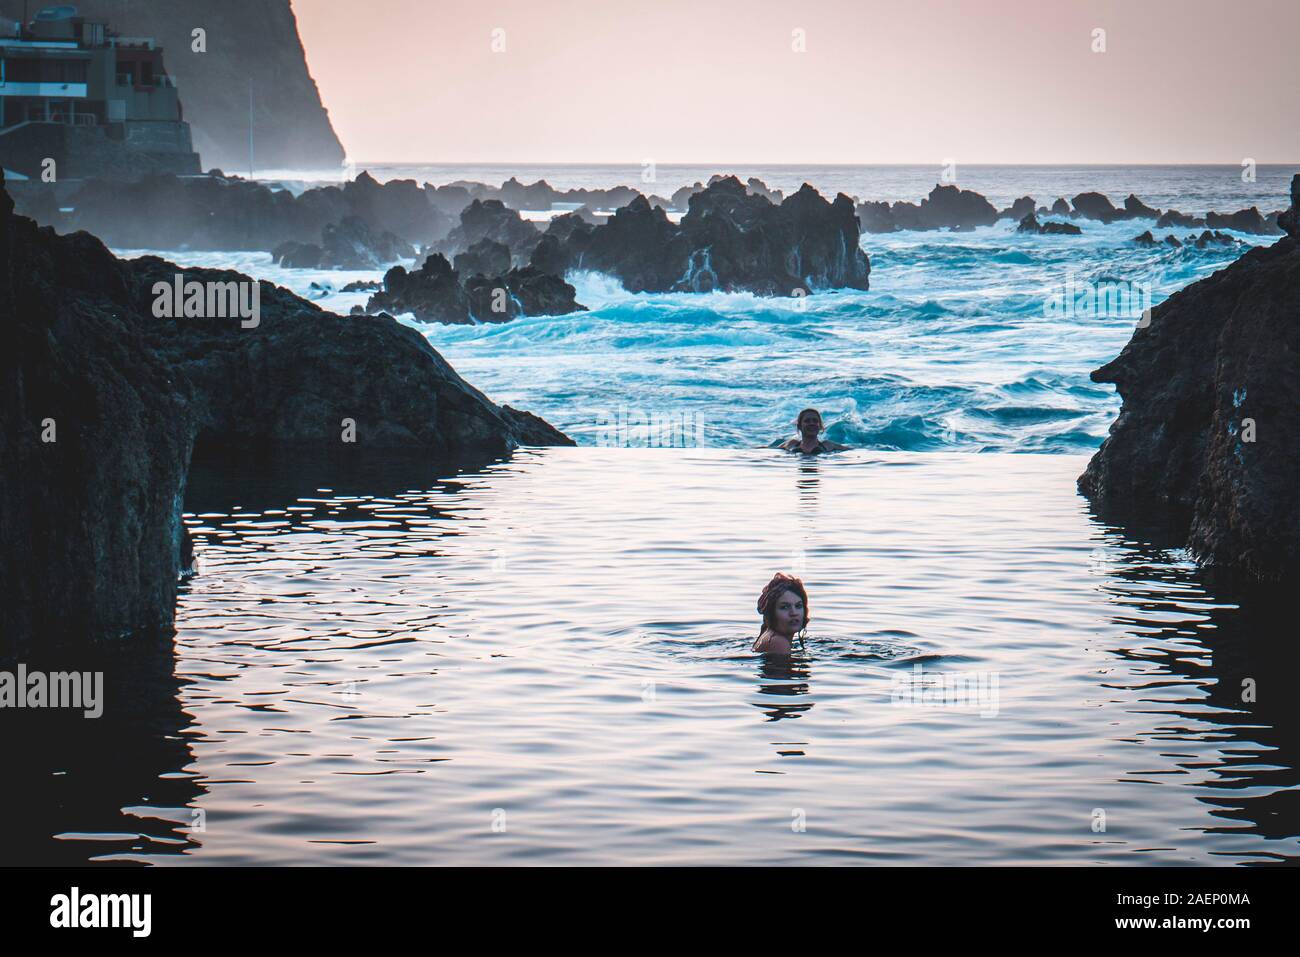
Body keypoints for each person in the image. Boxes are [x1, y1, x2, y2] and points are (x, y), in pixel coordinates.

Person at [751, 572, 809, 654]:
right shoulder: (779, 642)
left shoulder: (770, 635)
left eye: (798, 606)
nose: (794, 613)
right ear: (772, 612)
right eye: (784, 607)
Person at [775, 408, 849, 454]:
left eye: (815, 421)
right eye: (807, 421)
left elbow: (852, 451)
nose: (812, 423)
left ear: (820, 426)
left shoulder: (827, 445)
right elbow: (771, 450)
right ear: (799, 426)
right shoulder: (792, 444)